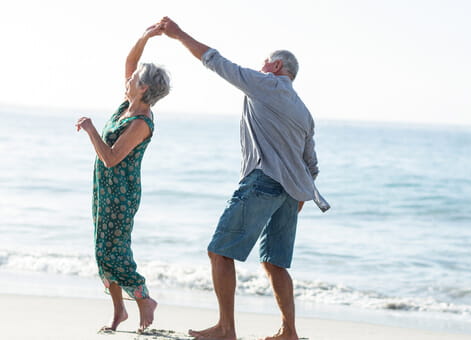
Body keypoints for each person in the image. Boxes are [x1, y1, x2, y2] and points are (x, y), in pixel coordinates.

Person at [159, 17, 329, 340]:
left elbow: (216, 62)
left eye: (265, 61)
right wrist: (298, 198)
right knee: (275, 262)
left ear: (276, 66)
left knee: (219, 251)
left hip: (263, 181)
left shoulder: (265, 84)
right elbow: (312, 165)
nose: (261, 65)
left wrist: (178, 34)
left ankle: (226, 329)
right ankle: (289, 331)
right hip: (291, 193)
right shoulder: (304, 112)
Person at [75, 23, 170, 332]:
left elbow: (112, 158)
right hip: (104, 188)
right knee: (102, 251)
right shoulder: (127, 105)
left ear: (143, 88)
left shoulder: (142, 121)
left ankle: (144, 299)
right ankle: (119, 312)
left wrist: (90, 130)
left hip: (121, 192)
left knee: (111, 252)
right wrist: (145, 37)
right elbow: (130, 63)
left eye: (134, 79)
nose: (128, 78)